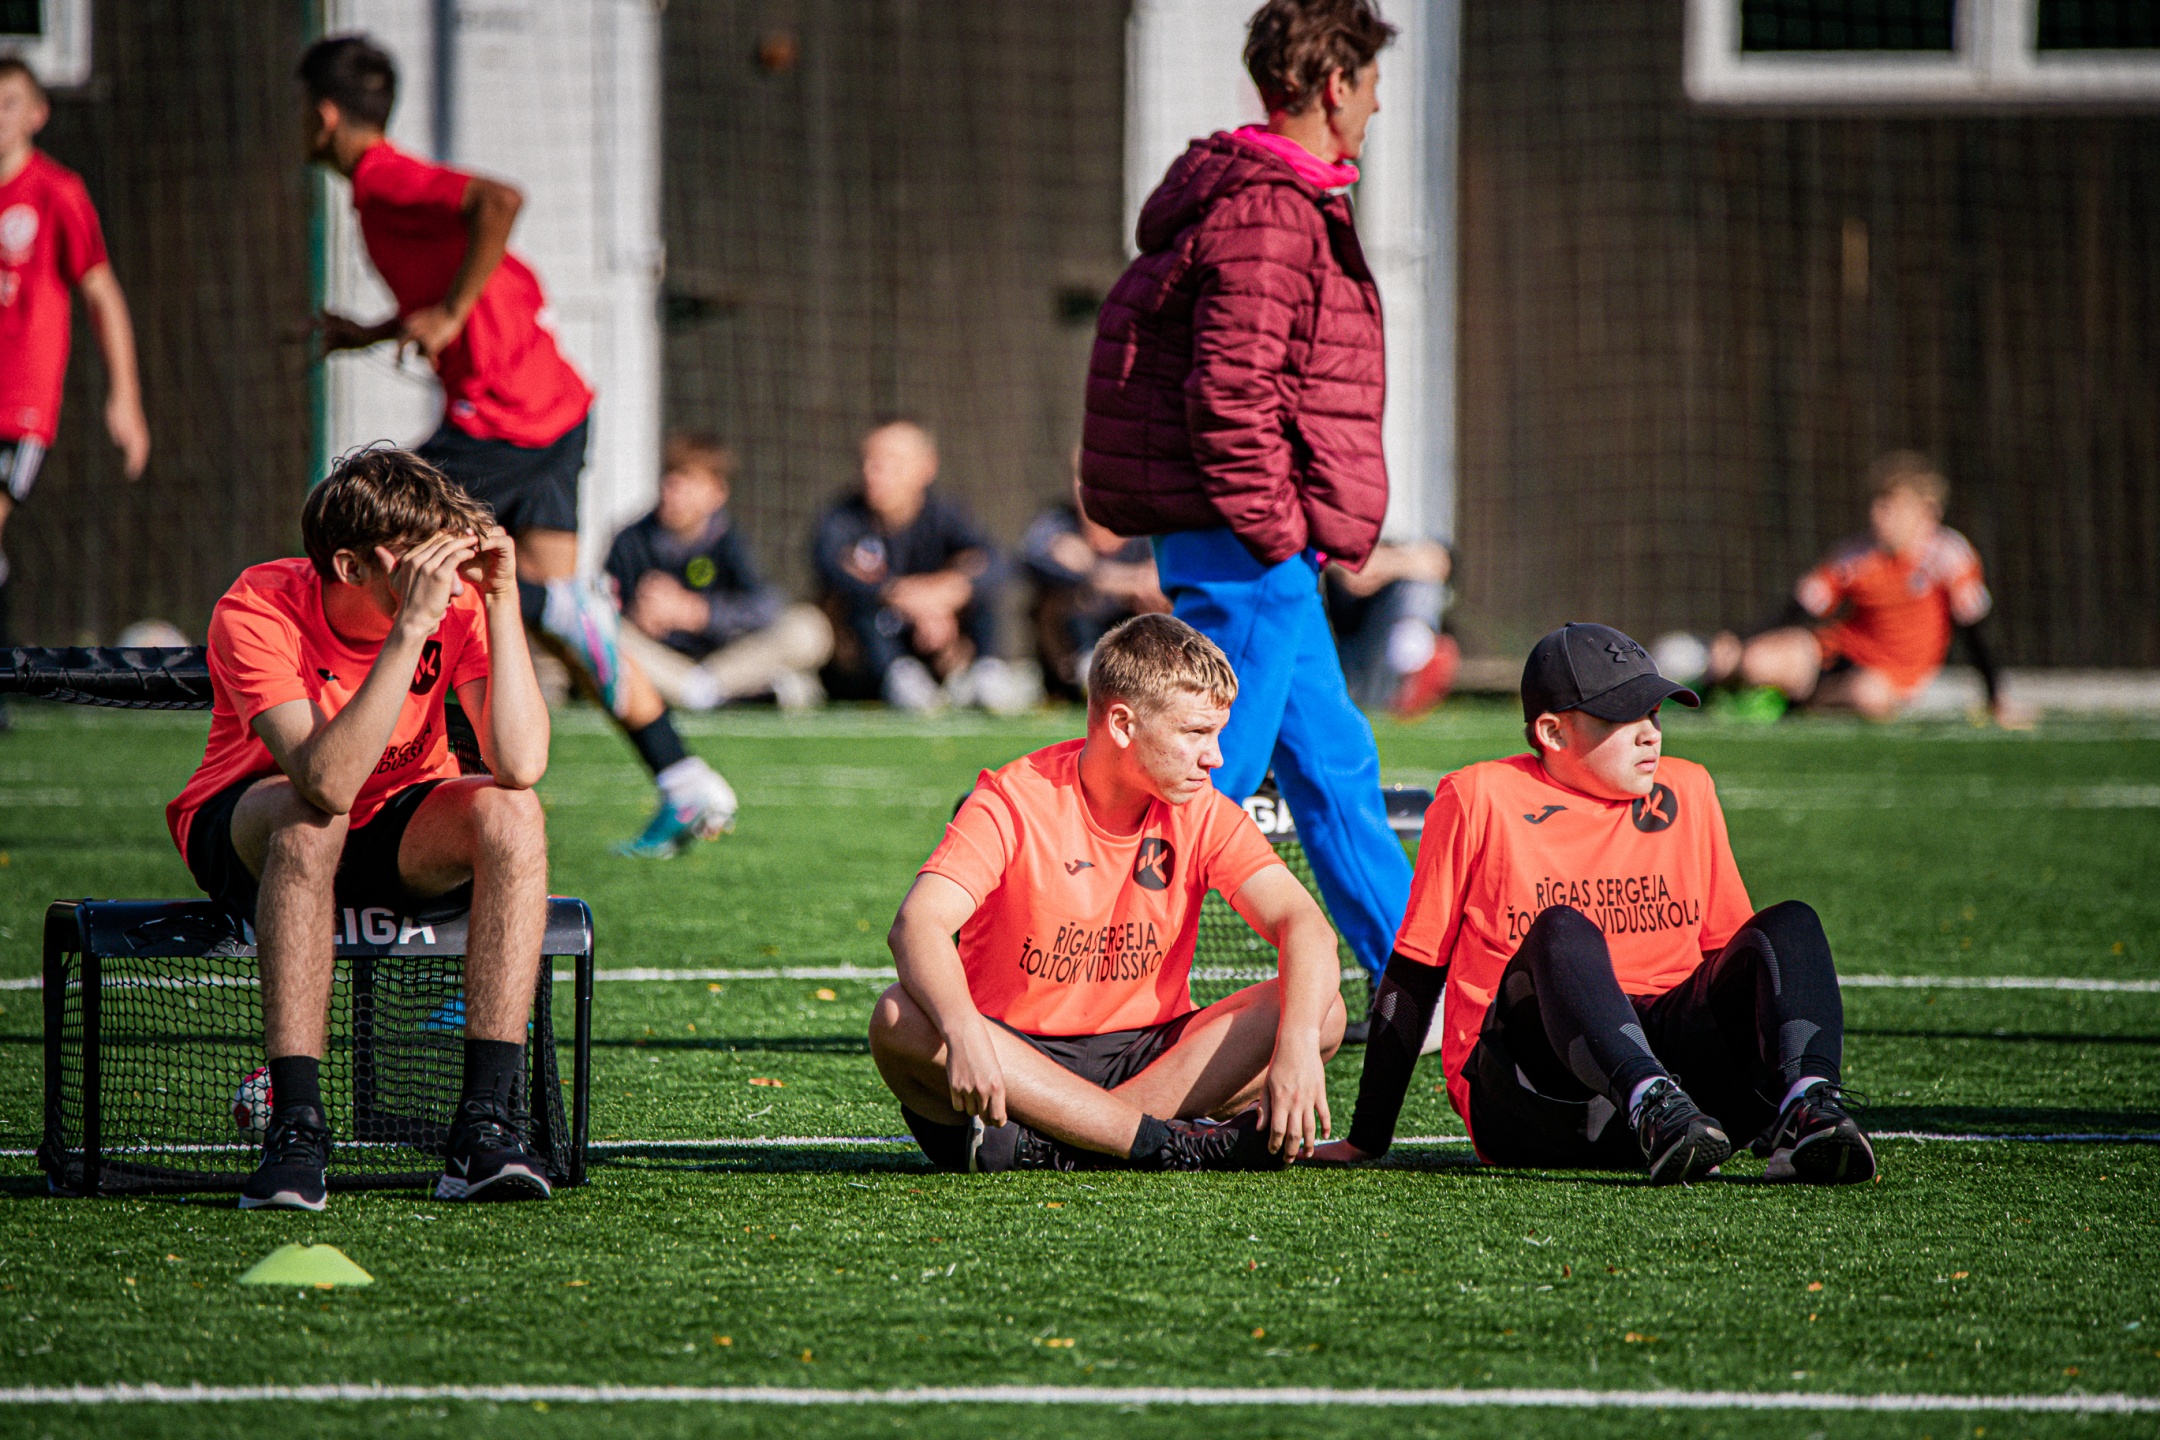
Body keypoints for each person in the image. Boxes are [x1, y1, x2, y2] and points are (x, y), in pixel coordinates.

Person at [298, 35, 736, 858]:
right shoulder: (379, 195)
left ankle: (340, 758)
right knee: (568, 622)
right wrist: (378, 331)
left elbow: (499, 202)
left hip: (505, 415)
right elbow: (470, 281)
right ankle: (685, 780)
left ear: (323, 116)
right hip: (549, 406)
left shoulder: (384, 176)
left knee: (369, 540)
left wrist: (449, 315)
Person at [1080, 0, 1409, 1006]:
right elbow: (1229, 392)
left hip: (1259, 548)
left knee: (1336, 766)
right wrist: (1276, 531)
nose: (1377, 106)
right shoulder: (1271, 210)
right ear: (1335, 86)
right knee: (1205, 774)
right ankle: (1105, 988)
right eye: (1371, 85)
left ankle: (1422, 990)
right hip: (1249, 543)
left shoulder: (1275, 198)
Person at [1314, 623, 1875, 1185]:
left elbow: (1733, 963)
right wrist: (1368, 1137)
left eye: (1654, 713)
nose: (1651, 734)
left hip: (1689, 1106)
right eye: (1622, 717)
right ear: (1553, 732)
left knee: (1791, 924)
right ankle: (1650, 1102)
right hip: (1534, 1099)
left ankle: (1809, 1110)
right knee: (1560, 929)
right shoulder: (1479, 797)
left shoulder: (1690, 789)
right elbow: (1414, 973)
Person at [165, 447, 556, 1210]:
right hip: (255, 822)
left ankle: (484, 1125)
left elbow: (521, 761)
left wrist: (502, 598)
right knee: (313, 821)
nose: (445, 577)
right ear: (350, 567)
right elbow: (326, 781)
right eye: (421, 557)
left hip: (398, 818)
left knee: (514, 813)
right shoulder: (257, 608)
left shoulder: (461, 603)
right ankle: (297, 1128)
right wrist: (410, 628)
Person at [869, 613, 1346, 1172]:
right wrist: (963, 1031)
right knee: (898, 1016)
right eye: (1195, 733)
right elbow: (917, 924)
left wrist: (1296, 1045)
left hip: (1147, 1057)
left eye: (1217, 734)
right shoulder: (1014, 798)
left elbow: (1304, 925)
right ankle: (1163, 1142)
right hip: (1017, 1060)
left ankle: (1070, 1143)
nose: (1215, 757)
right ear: (1122, 725)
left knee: (1323, 1013)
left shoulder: (1202, 807)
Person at [0, 57, 150, 701]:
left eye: (8, 102)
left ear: (37, 114)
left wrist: (126, 397)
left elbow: (102, 292)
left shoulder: (56, 192)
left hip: (18, 403)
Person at [1705, 451, 2023, 725]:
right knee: (1754, 660)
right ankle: (1709, 689)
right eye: (1876, 504)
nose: (1877, 515)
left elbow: (1975, 631)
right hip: (1838, 654)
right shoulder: (1855, 555)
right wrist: (1738, 641)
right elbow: (1799, 608)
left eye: (1890, 506)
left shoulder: (1949, 556)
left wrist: (1995, 696)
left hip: (1889, 678)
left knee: (1867, 696)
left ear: (1926, 511)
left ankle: (1791, 703)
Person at [606, 432, 833, 712]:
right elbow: (608, 613)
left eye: (688, 483)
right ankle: (721, 693)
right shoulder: (630, 541)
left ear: (717, 493)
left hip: (722, 664)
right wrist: (637, 614)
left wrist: (698, 612)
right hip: (662, 661)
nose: (673, 492)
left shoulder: (729, 542)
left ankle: (701, 690)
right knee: (603, 632)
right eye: (669, 480)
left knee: (809, 629)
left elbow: (766, 607)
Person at [813, 418, 1026, 714]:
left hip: (939, 640)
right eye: (867, 462)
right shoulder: (842, 519)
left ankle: (984, 672)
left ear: (927, 466)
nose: (872, 473)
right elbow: (835, 570)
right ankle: (899, 677)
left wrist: (946, 595)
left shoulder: (946, 515)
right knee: (862, 609)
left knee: (981, 599)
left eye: (889, 462)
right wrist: (908, 599)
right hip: (874, 649)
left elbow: (995, 563)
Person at [1022, 466, 1169, 702]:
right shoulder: (1056, 523)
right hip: (1074, 649)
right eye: (1081, 476)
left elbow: (1161, 579)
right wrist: (1127, 579)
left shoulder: (1152, 525)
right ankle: (1086, 672)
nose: (1091, 485)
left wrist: (1096, 570)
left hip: (1137, 639)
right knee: (1055, 600)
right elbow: (1032, 559)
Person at [1324, 539, 1457, 717]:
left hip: (1385, 620)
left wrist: (1379, 566)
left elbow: (1437, 561)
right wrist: (1341, 566)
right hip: (1331, 613)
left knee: (1420, 586)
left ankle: (1412, 661)